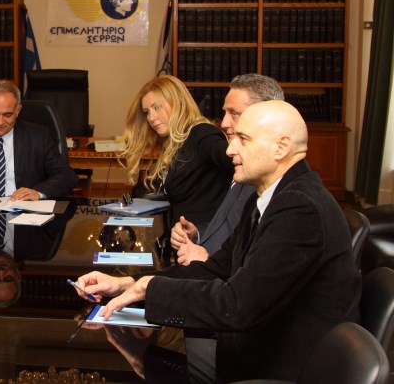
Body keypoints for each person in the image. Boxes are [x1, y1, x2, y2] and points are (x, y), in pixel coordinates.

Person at [77, 101, 360, 382]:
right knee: (149, 359)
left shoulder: (299, 208)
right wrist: (129, 284)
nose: (229, 149)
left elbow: (237, 306)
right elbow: (216, 268)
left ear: (281, 147)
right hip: (254, 349)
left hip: (283, 369)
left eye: (243, 139)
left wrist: (150, 289)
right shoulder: (270, 198)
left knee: (134, 366)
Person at [171, 74, 285, 264]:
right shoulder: (247, 170)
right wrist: (197, 234)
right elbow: (230, 230)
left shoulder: (272, 183)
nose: (223, 123)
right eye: (225, 113)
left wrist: (207, 259)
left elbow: (258, 266)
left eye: (234, 113)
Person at [119, 75, 233, 232]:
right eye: (147, 112)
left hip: (202, 238)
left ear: (178, 102)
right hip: (180, 235)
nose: (151, 118)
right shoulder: (178, 139)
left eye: (157, 107)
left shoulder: (203, 134)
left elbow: (237, 162)